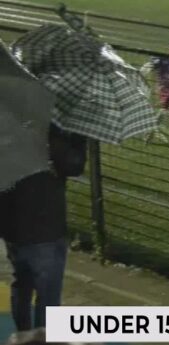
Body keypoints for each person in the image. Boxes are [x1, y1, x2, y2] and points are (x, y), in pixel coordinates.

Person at [0, 124, 86, 331]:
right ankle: (41, 339)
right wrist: (79, 135)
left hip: (13, 227)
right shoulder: (48, 131)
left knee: (21, 283)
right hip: (45, 228)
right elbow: (73, 165)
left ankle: (23, 333)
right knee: (48, 295)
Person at [140, 40, 169, 144]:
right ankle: (156, 128)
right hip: (164, 87)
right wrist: (144, 71)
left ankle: (153, 129)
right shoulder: (164, 59)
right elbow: (152, 63)